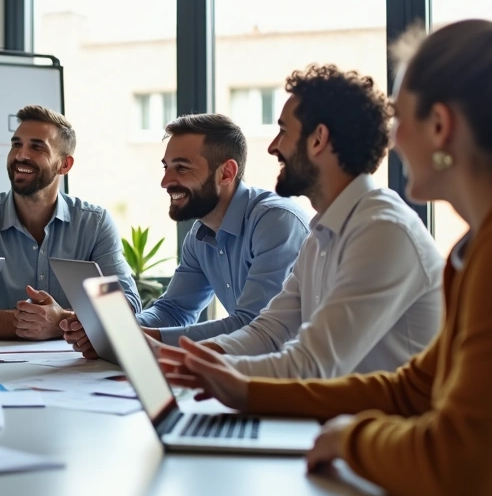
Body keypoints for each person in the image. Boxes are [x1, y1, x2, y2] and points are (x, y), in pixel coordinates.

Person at [160, 5, 492, 496]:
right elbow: (413, 390)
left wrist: (350, 437)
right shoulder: (488, 243)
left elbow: (459, 474)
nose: (393, 141)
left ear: (441, 126)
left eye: (400, 119)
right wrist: (246, 390)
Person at [187, 64, 441, 378]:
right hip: (337, 418)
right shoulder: (321, 234)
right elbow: (268, 332)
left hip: (385, 425)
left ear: (318, 139)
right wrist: (170, 358)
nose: (272, 147)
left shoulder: (382, 230)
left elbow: (313, 364)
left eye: (283, 131)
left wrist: (201, 371)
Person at [63, 114, 309, 357]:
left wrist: (142, 338)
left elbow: (254, 327)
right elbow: (174, 309)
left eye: (181, 168)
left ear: (226, 173)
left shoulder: (276, 221)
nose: (165, 181)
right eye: (166, 167)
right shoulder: (200, 234)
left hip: (298, 379)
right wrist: (116, 332)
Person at [0, 105, 140, 340]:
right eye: (16, 144)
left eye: (37, 147)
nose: (21, 155)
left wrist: (58, 321)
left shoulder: (94, 224)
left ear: (64, 165)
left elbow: (126, 308)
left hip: (79, 366)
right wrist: (37, 323)